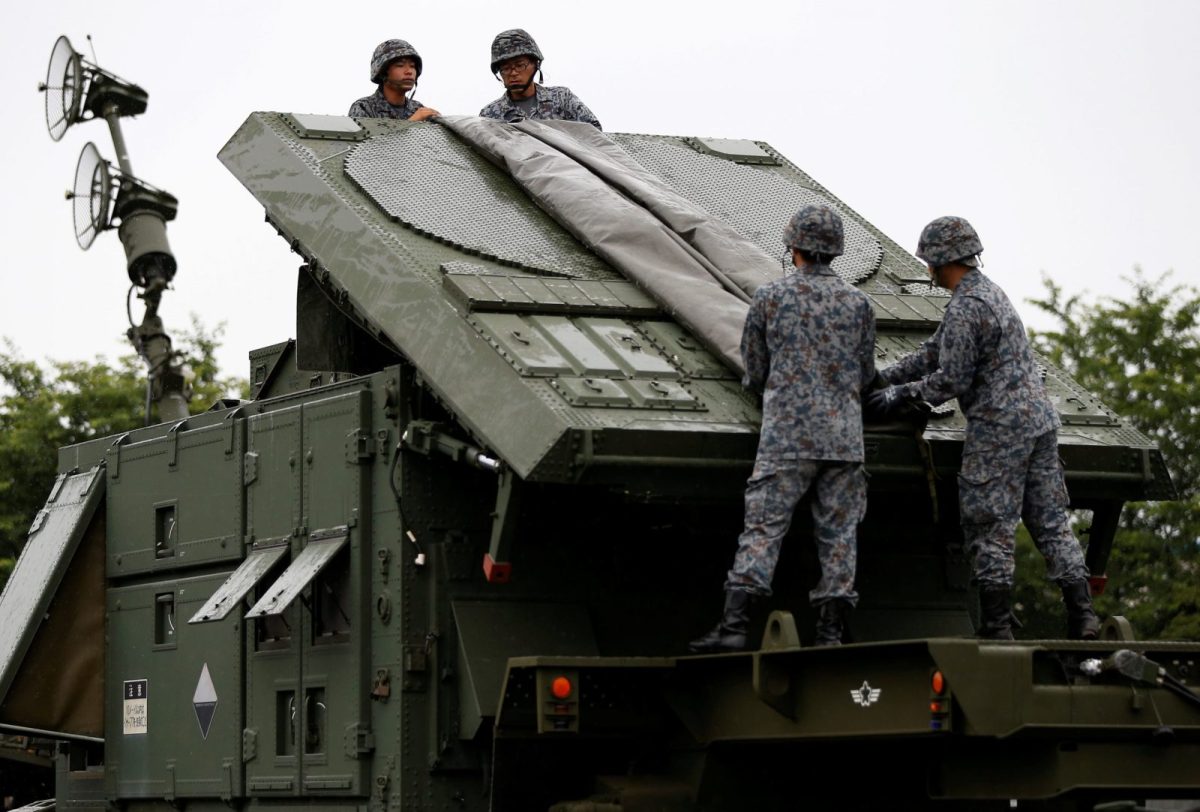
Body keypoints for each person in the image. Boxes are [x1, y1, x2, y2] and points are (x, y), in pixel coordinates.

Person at [868, 216, 1101, 641]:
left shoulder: (967, 307)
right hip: (1039, 424)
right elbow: (934, 352)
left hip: (999, 429)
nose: (927, 270)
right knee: (1050, 523)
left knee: (989, 522)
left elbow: (950, 379)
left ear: (940, 261)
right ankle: (1083, 616)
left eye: (929, 262)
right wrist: (885, 377)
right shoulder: (990, 294)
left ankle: (996, 625)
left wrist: (895, 397)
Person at [689, 205, 876, 653]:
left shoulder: (771, 298)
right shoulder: (859, 304)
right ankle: (830, 635)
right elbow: (867, 375)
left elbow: (754, 370)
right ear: (836, 251)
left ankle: (735, 628)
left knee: (763, 531)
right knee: (838, 537)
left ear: (792, 246)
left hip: (786, 440)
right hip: (845, 441)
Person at [479, 29, 601, 129]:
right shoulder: (490, 114)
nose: (513, 73)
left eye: (520, 65)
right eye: (506, 68)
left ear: (535, 65)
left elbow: (595, 134)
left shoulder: (562, 98)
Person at [349, 39, 440, 121]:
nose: (409, 71)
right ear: (383, 72)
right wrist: (412, 122)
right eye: (400, 65)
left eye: (412, 66)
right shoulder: (364, 108)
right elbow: (369, 140)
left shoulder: (418, 109)